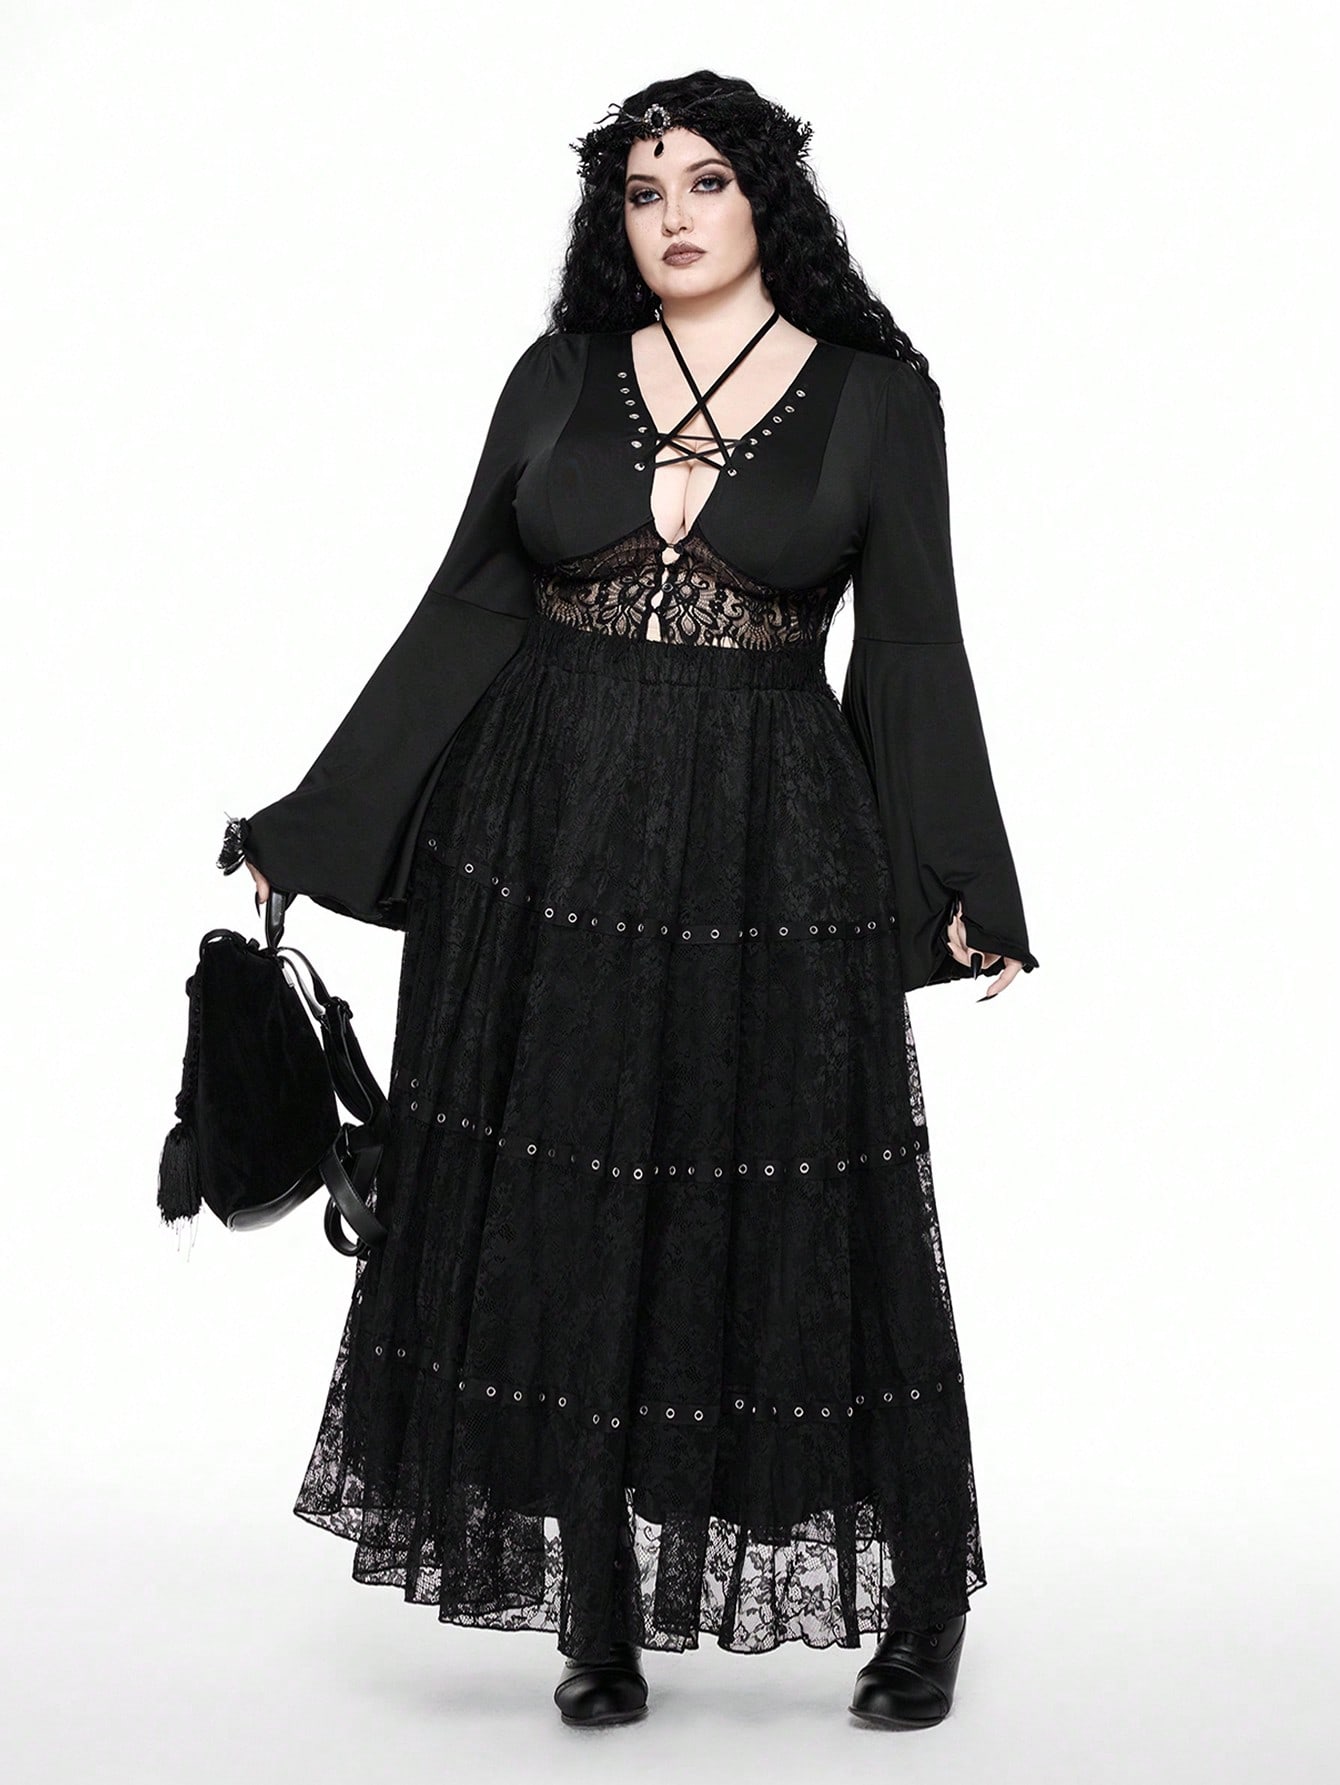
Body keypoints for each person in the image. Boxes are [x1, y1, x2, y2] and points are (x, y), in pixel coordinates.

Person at [216, 72, 1037, 1730]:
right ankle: (597, 1610)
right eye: (643, 190)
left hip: (768, 848)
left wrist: (963, 877)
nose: (673, 215)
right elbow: (464, 610)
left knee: (817, 1219)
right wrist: (318, 820)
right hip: (544, 842)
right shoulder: (560, 375)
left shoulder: (881, 399)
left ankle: (921, 1598)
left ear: (767, 202)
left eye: (706, 182)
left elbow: (915, 644)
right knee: (564, 1217)